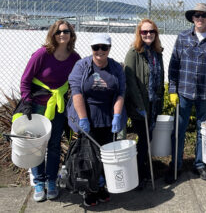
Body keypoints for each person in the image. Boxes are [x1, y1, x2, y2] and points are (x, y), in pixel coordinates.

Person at [17, 20, 81, 202]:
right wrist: (27, 101)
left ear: (71, 35)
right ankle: (39, 182)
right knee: (36, 146)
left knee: (54, 146)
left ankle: (51, 181)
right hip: (37, 107)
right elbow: (25, 80)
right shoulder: (42, 54)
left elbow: (78, 80)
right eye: (59, 31)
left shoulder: (74, 58)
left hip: (59, 107)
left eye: (66, 31)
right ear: (53, 34)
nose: (63, 34)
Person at [165, 3, 206, 184]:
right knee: (179, 131)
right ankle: (176, 165)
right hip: (183, 92)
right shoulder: (183, 37)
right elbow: (174, 64)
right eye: (197, 16)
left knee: (203, 132)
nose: (200, 18)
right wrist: (173, 89)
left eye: (203, 16)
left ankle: (199, 164)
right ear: (192, 18)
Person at [68, 33, 126, 206]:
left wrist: (117, 116)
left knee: (106, 156)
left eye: (104, 47)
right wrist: (83, 119)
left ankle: (101, 187)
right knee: (88, 157)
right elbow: (76, 92)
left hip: (108, 117)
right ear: (91, 49)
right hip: (87, 115)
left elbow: (120, 93)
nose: (100, 51)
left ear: (109, 49)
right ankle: (89, 190)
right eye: (96, 47)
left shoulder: (116, 68)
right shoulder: (82, 66)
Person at [124, 19, 164, 189]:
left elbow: (161, 79)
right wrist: (140, 106)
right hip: (139, 107)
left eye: (151, 31)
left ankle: (144, 169)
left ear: (156, 33)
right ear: (139, 34)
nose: (148, 34)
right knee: (142, 140)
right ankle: (138, 175)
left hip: (154, 105)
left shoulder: (157, 53)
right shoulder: (134, 53)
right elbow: (130, 82)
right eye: (144, 32)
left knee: (148, 139)